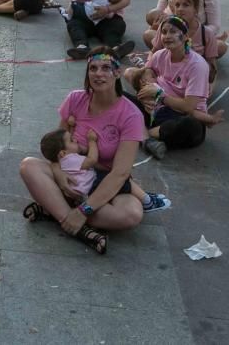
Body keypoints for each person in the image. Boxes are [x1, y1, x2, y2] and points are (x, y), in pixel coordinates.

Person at [19, 48, 146, 254]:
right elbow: (56, 148)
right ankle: (74, 224)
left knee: (131, 214)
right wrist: (60, 176)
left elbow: (120, 173)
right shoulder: (75, 99)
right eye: (93, 68)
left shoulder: (131, 115)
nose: (98, 73)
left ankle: (57, 211)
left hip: (103, 180)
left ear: (117, 72)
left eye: (106, 68)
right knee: (28, 166)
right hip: (71, 175)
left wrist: (84, 210)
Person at [126, 16, 222, 159]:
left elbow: (188, 107)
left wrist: (160, 95)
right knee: (118, 95)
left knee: (190, 125)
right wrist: (146, 97)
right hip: (156, 111)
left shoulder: (198, 65)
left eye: (173, 32)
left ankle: (143, 133)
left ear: (185, 36)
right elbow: (144, 78)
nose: (167, 36)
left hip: (180, 116)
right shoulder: (159, 55)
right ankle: (146, 139)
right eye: (164, 32)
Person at [39, 126, 169, 217]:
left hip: (90, 183)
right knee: (121, 180)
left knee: (121, 179)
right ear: (63, 153)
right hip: (92, 186)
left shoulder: (63, 161)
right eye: (72, 140)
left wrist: (72, 126)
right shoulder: (70, 159)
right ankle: (148, 202)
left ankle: (144, 196)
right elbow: (92, 159)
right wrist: (92, 141)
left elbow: (68, 145)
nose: (76, 140)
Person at [149, 0, 224, 82]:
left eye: (186, 5)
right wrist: (147, 71)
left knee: (221, 46)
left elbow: (212, 67)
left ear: (195, 9)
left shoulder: (207, 33)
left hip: (191, 77)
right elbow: (154, 51)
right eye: (177, 5)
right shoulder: (165, 26)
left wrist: (209, 88)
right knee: (131, 73)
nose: (180, 9)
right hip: (165, 73)